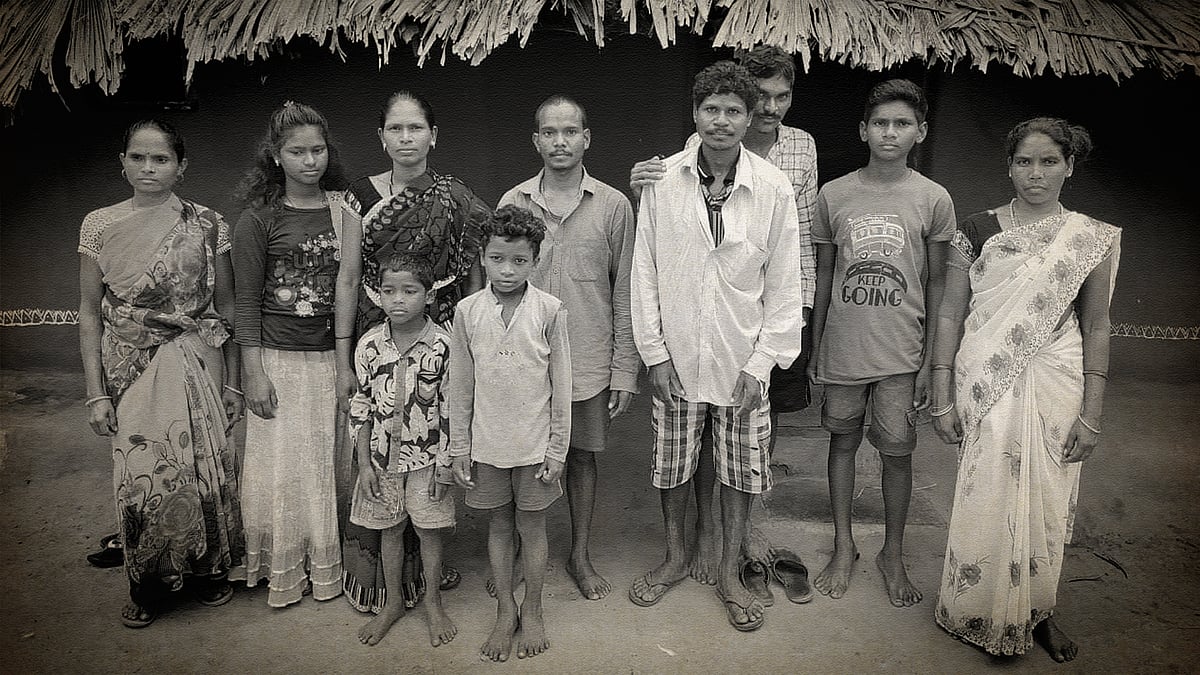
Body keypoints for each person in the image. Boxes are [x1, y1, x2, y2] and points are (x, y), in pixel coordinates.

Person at [931, 118, 1120, 662]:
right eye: (1024, 162)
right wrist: (941, 395)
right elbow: (950, 313)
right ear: (1009, 167)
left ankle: (1039, 611)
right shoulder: (976, 229)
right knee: (985, 492)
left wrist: (1092, 413)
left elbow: (1096, 325)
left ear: (1069, 166)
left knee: (1047, 500)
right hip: (987, 378)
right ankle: (971, 607)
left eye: (1049, 162)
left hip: (1058, 379)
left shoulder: (1089, 238)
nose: (1035, 174)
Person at [628, 45, 817, 583]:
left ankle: (731, 570)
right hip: (678, 355)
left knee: (740, 470)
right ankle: (674, 557)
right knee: (673, 466)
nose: (721, 121)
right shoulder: (664, 180)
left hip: (742, 357)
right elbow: (646, 271)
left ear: (749, 116)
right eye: (711, 108)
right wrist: (654, 355)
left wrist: (762, 364)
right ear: (695, 113)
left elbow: (784, 284)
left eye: (734, 110)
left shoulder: (773, 187)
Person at [78, 119, 244, 627]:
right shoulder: (98, 225)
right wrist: (95, 393)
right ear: (122, 162)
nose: (148, 168)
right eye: (138, 157)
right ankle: (147, 581)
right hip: (129, 363)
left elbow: (226, 307)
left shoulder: (208, 224)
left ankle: (209, 570)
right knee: (142, 473)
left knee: (203, 466)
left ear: (181, 166)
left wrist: (233, 382)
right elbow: (89, 311)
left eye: (161, 159)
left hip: (196, 357)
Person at [335, 91, 488, 615]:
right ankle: (379, 579)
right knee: (378, 445)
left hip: (436, 334)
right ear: (381, 137)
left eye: (416, 127)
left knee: (431, 439)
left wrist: (466, 341)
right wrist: (344, 356)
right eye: (395, 129)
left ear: (433, 135)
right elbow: (349, 276)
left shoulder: (455, 198)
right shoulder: (359, 196)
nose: (406, 138)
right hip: (376, 333)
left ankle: (429, 566)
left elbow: (472, 274)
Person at [805, 79, 954, 607]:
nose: (890, 133)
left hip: (901, 354)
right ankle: (843, 545)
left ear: (921, 132)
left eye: (902, 124)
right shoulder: (834, 195)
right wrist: (816, 348)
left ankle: (893, 552)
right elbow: (824, 275)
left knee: (896, 454)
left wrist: (931, 362)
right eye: (881, 123)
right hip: (844, 349)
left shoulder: (933, 198)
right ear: (863, 130)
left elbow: (937, 284)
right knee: (842, 443)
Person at [497, 95, 638, 601]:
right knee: (520, 456)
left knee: (580, 457)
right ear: (536, 141)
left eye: (570, 131)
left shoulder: (614, 206)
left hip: (587, 358)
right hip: (525, 359)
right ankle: (520, 552)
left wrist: (624, 368)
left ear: (586, 139)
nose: (561, 142)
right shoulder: (513, 201)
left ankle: (579, 553)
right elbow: (499, 286)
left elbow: (625, 290)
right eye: (550, 132)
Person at [230, 101, 347, 607]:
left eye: (318, 150)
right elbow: (246, 302)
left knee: (327, 462)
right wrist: (253, 373)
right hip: (280, 360)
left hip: (332, 357)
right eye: (297, 152)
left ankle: (330, 558)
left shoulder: (344, 211)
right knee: (284, 467)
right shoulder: (258, 219)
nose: (310, 161)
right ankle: (284, 563)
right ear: (276, 156)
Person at [449, 205, 572, 661]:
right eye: (497, 259)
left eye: (519, 261)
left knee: (532, 527)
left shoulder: (549, 310)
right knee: (499, 526)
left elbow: (562, 383)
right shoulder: (467, 312)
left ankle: (533, 608)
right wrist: (459, 447)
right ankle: (505, 609)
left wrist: (557, 449)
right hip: (487, 446)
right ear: (483, 257)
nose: (507, 270)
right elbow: (460, 385)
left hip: (535, 447)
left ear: (535, 260)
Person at [347, 254, 457, 647]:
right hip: (381, 461)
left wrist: (446, 464)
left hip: (428, 462)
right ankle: (393, 602)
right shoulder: (370, 345)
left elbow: (452, 408)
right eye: (389, 291)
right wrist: (364, 465)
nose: (398, 300)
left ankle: (433, 602)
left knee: (429, 532)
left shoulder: (444, 346)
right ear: (377, 295)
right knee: (390, 531)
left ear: (429, 296)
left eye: (409, 291)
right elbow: (361, 407)